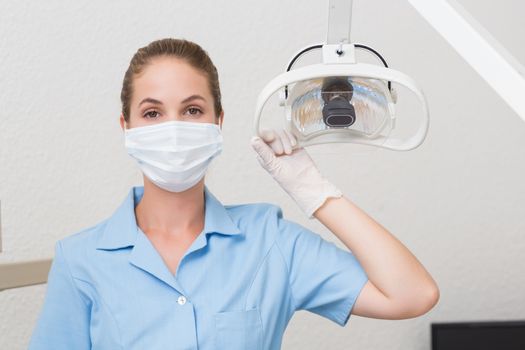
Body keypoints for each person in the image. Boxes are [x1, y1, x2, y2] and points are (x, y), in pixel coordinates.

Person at [28, 38, 439, 350]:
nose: (173, 127)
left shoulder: (269, 240)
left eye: (192, 110)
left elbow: (412, 294)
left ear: (217, 121)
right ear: (127, 126)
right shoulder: (80, 259)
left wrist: (315, 193)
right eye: (152, 113)